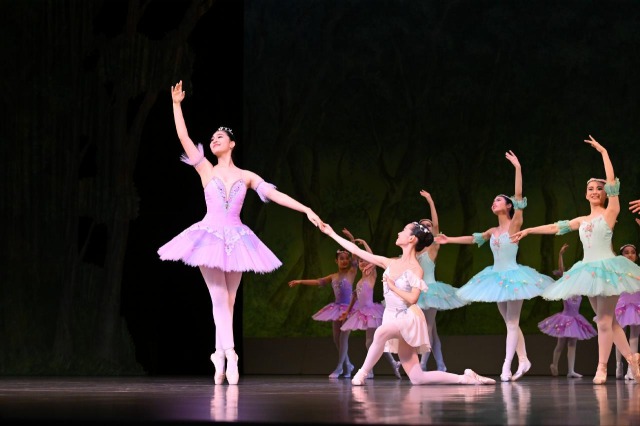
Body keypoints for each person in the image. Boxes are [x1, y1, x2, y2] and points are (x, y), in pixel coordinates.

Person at [158, 81, 323, 385]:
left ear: (232, 144)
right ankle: (231, 354)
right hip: (209, 236)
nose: (214, 140)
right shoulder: (205, 169)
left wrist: (306, 209)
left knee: (230, 300)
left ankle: (218, 354)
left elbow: (274, 194)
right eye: (212, 137)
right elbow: (183, 137)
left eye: (219, 136)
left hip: (237, 238)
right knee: (219, 295)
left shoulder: (246, 176)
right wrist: (176, 105)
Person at [511, 135, 640, 384]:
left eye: (599, 189)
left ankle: (602, 367)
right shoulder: (581, 220)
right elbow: (555, 227)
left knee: (604, 321)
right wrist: (528, 230)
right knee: (609, 322)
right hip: (588, 272)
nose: (595, 191)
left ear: (605, 194)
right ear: (585, 194)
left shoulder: (610, 212)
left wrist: (604, 152)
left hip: (609, 270)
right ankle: (632, 359)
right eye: (590, 189)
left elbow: (612, 182)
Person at [319, 221, 495, 386]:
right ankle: (466, 379)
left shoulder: (416, 269)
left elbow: (412, 299)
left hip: (407, 317)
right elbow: (356, 250)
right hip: (391, 317)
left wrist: (393, 287)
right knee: (417, 377)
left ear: (411, 239)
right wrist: (331, 232)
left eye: (403, 230)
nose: (399, 232)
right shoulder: (390, 262)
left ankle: (361, 374)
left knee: (380, 332)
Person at [435, 151, 554, 382]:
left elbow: (519, 196)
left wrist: (518, 168)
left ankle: (506, 366)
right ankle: (524, 359)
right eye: (493, 200)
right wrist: (449, 240)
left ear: (508, 206)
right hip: (495, 278)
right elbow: (473, 239)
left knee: (512, 322)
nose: (494, 202)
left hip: (515, 277)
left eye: (499, 200)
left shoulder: (515, 223)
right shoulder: (493, 231)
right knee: (509, 323)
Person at [288, 229, 361, 378]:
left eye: (346, 258)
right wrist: (300, 281)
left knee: (343, 337)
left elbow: (356, 255)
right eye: (341, 258)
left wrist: (352, 239)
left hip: (349, 309)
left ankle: (339, 368)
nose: (344, 261)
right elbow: (317, 281)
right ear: (336, 261)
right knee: (336, 338)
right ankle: (348, 365)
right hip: (337, 308)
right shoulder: (332, 276)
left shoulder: (351, 272)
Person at [338, 229, 402, 379]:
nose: (361, 263)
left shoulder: (371, 275)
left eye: (364, 261)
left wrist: (365, 244)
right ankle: (391, 364)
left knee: (370, 342)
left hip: (371, 312)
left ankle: (375, 369)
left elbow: (372, 257)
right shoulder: (360, 279)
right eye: (360, 261)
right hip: (361, 312)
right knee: (371, 342)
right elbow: (355, 296)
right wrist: (347, 311)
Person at [415, 190, 467, 372]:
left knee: (427, 327)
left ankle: (422, 364)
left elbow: (436, 225)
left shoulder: (433, 246)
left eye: (428, 225)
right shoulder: (414, 249)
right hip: (417, 291)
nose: (426, 227)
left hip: (431, 291)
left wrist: (430, 200)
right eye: (423, 225)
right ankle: (441, 364)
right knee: (432, 332)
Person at [538, 243, 597, 378]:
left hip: (576, 319)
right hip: (565, 319)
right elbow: (561, 270)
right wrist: (560, 254)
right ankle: (554, 364)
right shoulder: (566, 287)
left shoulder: (580, 289)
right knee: (560, 344)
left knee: (572, 344)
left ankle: (571, 370)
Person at [614, 237, 640, 380]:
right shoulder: (618, 272)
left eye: (633, 252)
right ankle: (619, 365)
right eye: (626, 252)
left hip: (636, 306)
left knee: (634, 336)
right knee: (620, 337)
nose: (630, 255)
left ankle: (632, 368)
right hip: (622, 306)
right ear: (621, 256)